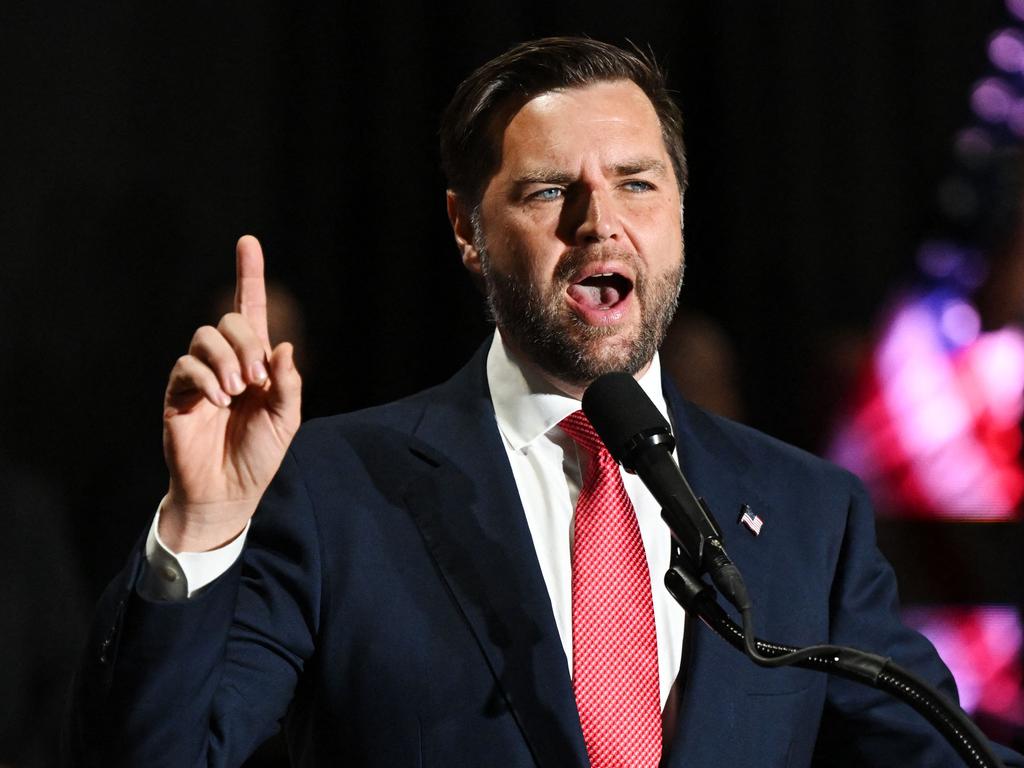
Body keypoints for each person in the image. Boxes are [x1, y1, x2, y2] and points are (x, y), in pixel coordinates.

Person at [67, 37, 1024, 767]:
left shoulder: (811, 514)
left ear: (678, 214)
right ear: (466, 229)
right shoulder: (330, 489)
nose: (599, 220)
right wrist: (200, 527)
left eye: (637, 184)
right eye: (548, 189)